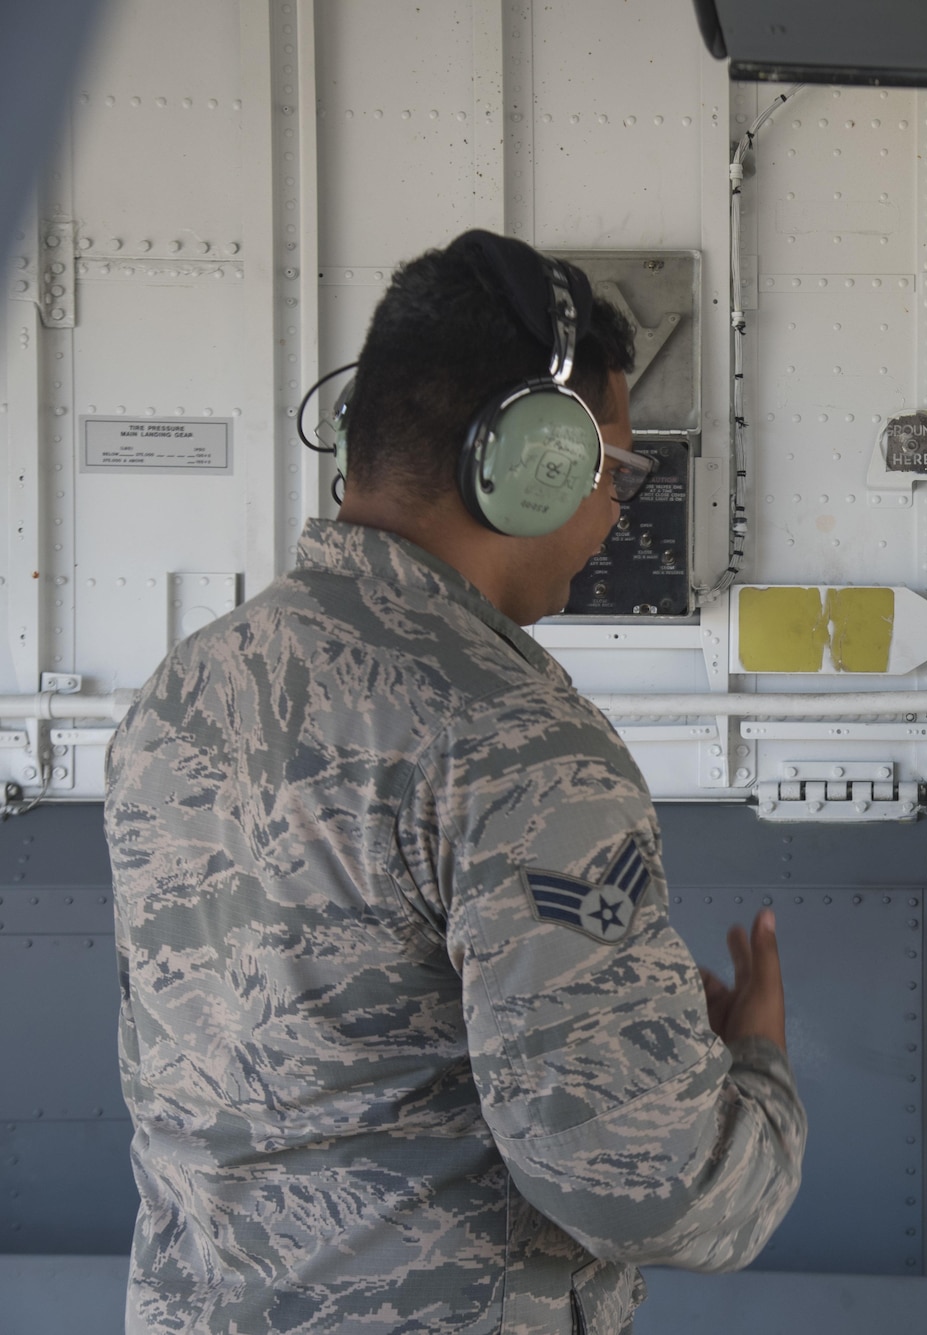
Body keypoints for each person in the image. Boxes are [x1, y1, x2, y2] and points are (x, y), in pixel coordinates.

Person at [105, 230, 804, 1334]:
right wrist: (753, 1072)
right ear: (533, 464)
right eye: (610, 468)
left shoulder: (183, 692)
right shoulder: (519, 746)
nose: (615, 507)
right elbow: (647, 1188)